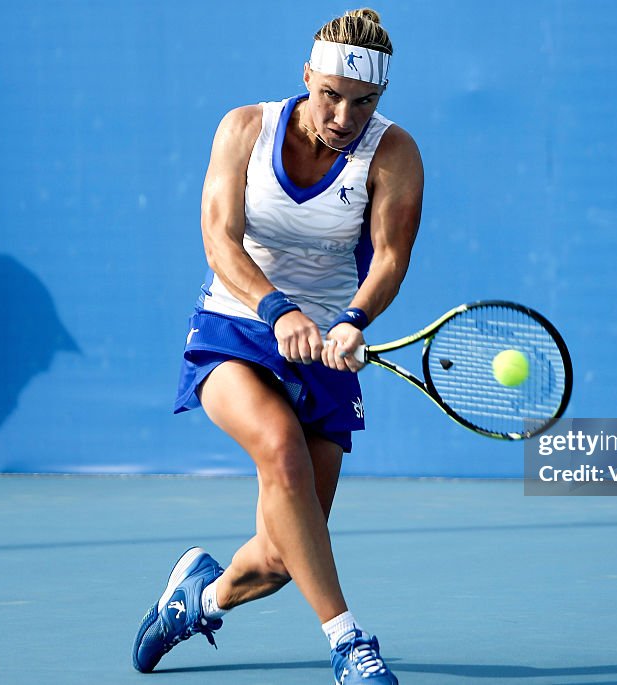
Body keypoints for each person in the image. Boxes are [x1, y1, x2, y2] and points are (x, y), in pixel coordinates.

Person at [131, 9, 422, 684]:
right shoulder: (244, 129)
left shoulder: (395, 153)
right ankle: (350, 643)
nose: (344, 116)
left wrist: (351, 320)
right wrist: (276, 308)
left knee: (288, 554)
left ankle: (197, 598)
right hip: (236, 327)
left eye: (364, 102)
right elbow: (219, 240)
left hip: (326, 345)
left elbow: (389, 260)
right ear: (304, 77)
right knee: (281, 448)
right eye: (330, 95)